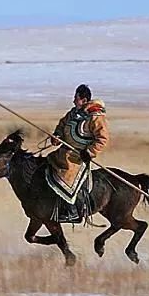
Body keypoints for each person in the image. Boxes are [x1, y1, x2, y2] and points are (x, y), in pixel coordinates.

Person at [47, 84, 109, 222]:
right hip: (64, 151)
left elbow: (102, 138)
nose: (74, 101)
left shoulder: (95, 117)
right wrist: (57, 135)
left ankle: (72, 210)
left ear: (84, 100)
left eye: (76, 98)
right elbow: (62, 125)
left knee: (66, 175)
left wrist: (90, 152)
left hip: (78, 157)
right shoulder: (73, 113)